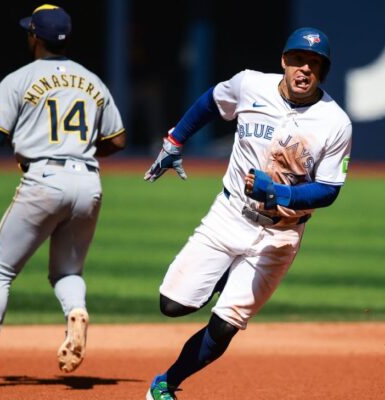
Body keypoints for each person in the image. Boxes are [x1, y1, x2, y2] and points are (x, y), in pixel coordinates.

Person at [143, 27, 352, 399]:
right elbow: (211, 101)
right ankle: (226, 276)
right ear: (284, 60)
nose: (305, 68)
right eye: (299, 59)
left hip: (280, 236)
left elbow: (329, 189)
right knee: (172, 305)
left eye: (314, 63)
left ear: (323, 71)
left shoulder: (335, 122)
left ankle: (166, 384)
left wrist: (280, 193)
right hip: (230, 214)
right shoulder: (249, 84)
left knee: (225, 325)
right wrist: (175, 140)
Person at [0, 4, 126, 387]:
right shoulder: (93, 81)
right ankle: (76, 310)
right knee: (67, 272)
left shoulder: (19, 78)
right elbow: (117, 140)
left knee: (1, 272)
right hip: (89, 182)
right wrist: (80, 151)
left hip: (44, 179)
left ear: (34, 36)